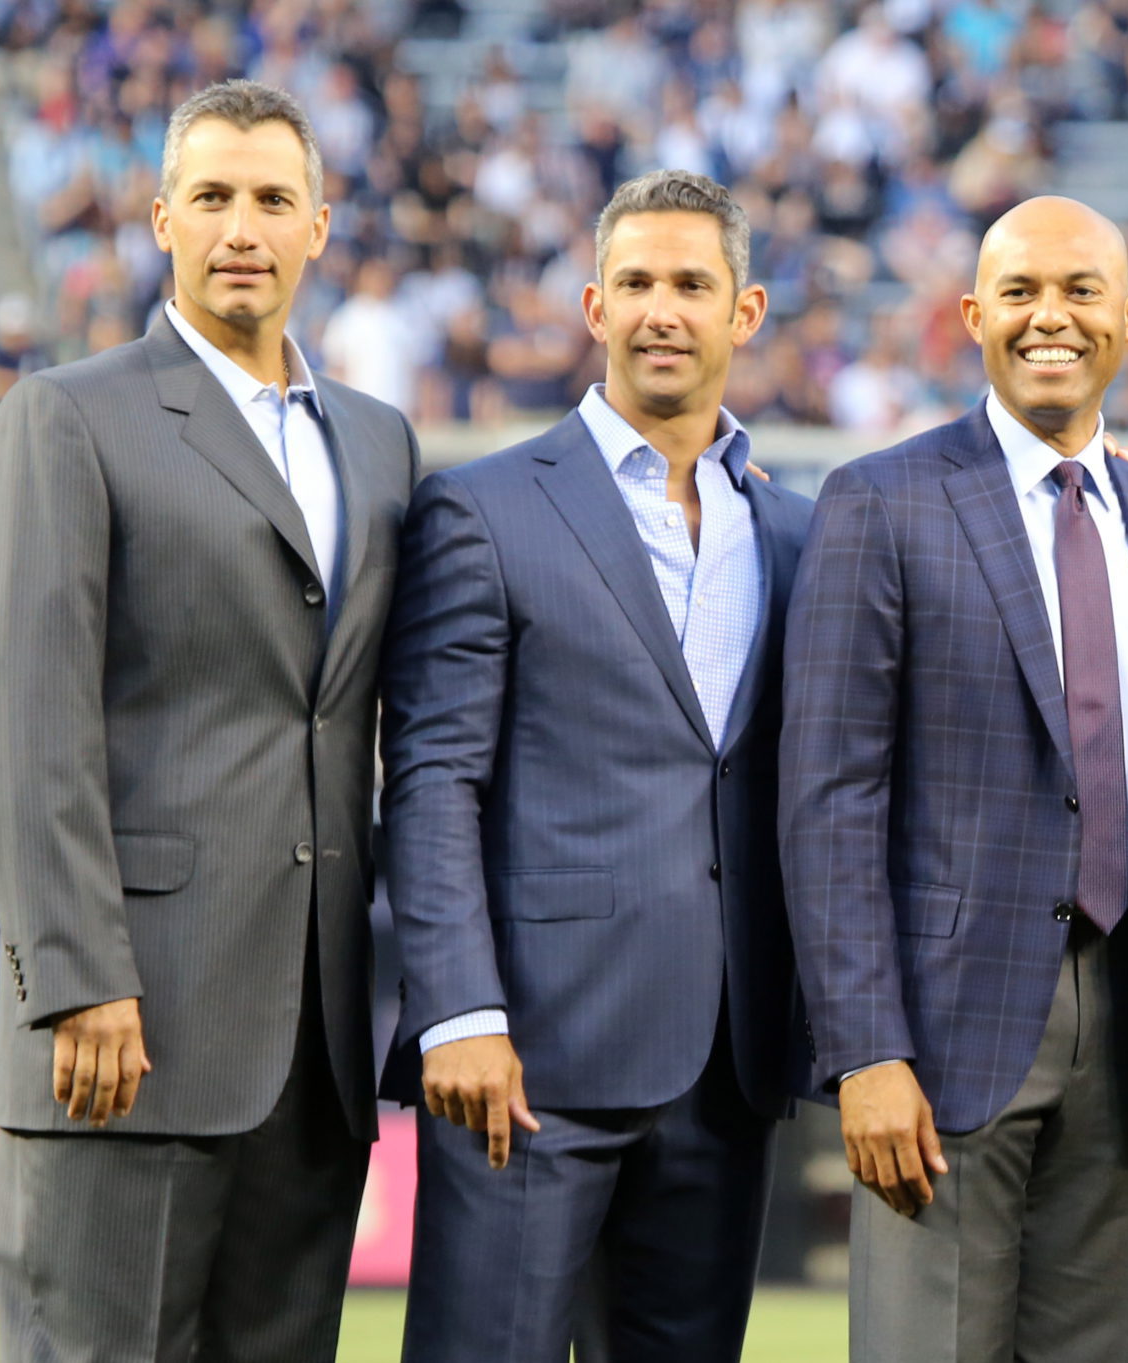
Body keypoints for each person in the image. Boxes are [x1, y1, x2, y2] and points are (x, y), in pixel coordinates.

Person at [0, 79, 419, 1363]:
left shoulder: (379, 447)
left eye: (274, 199)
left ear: (320, 226)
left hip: (312, 1054)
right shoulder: (69, 416)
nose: (242, 227)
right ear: (161, 217)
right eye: (211, 197)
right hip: (124, 1034)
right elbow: (21, 719)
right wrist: (80, 977)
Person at [780, 195, 1128, 1363]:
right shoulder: (880, 500)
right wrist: (866, 1049)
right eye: (1020, 292)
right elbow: (830, 802)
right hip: (940, 1037)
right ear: (971, 315)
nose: (1051, 317)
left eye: (1081, 290)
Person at [381, 169, 813, 1363]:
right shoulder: (483, 509)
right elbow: (432, 779)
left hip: (725, 1065)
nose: (661, 309)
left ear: (748, 310)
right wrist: (457, 1011)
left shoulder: (796, 530)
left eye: (691, 284)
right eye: (635, 283)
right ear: (591, 305)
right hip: (528, 1058)